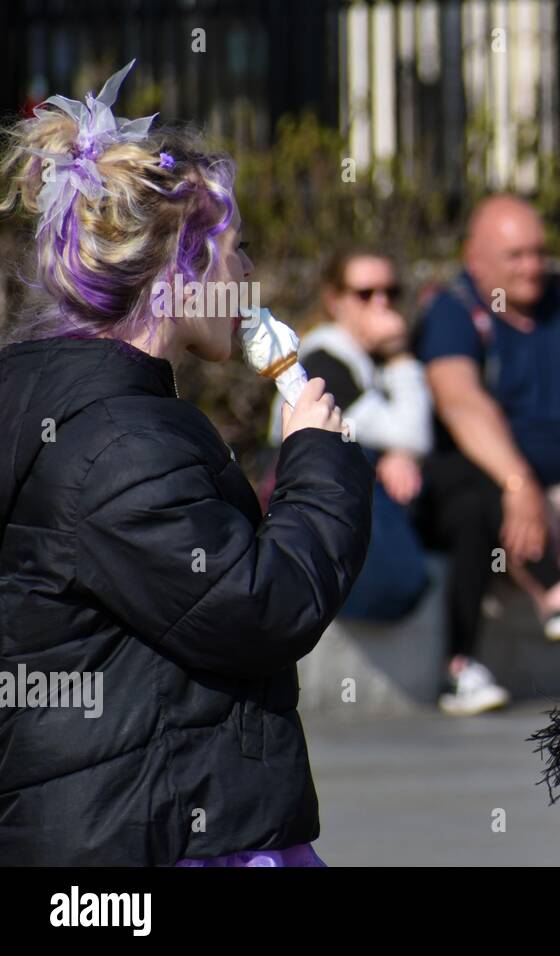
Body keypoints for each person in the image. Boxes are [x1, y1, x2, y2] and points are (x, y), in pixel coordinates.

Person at [0, 62, 372, 865]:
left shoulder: (58, 407)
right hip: (153, 836)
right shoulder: (119, 443)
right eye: (234, 256)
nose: (245, 281)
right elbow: (259, 609)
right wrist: (318, 461)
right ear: (182, 275)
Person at [413, 194, 560, 715]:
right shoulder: (454, 310)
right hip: (501, 490)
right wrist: (519, 483)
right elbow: (461, 402)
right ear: (476, 258)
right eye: (515, 256)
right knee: (509, 505)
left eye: (539, 252)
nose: (532, 267)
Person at [269, 249, 433, 624]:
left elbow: (403, 437)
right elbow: (414, 433)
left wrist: (401, 453)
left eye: (391, 292)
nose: (382, 303)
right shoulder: (326, 357)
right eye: (365, 293)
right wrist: (402, 356)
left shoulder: (364, 356)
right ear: (334, 300)